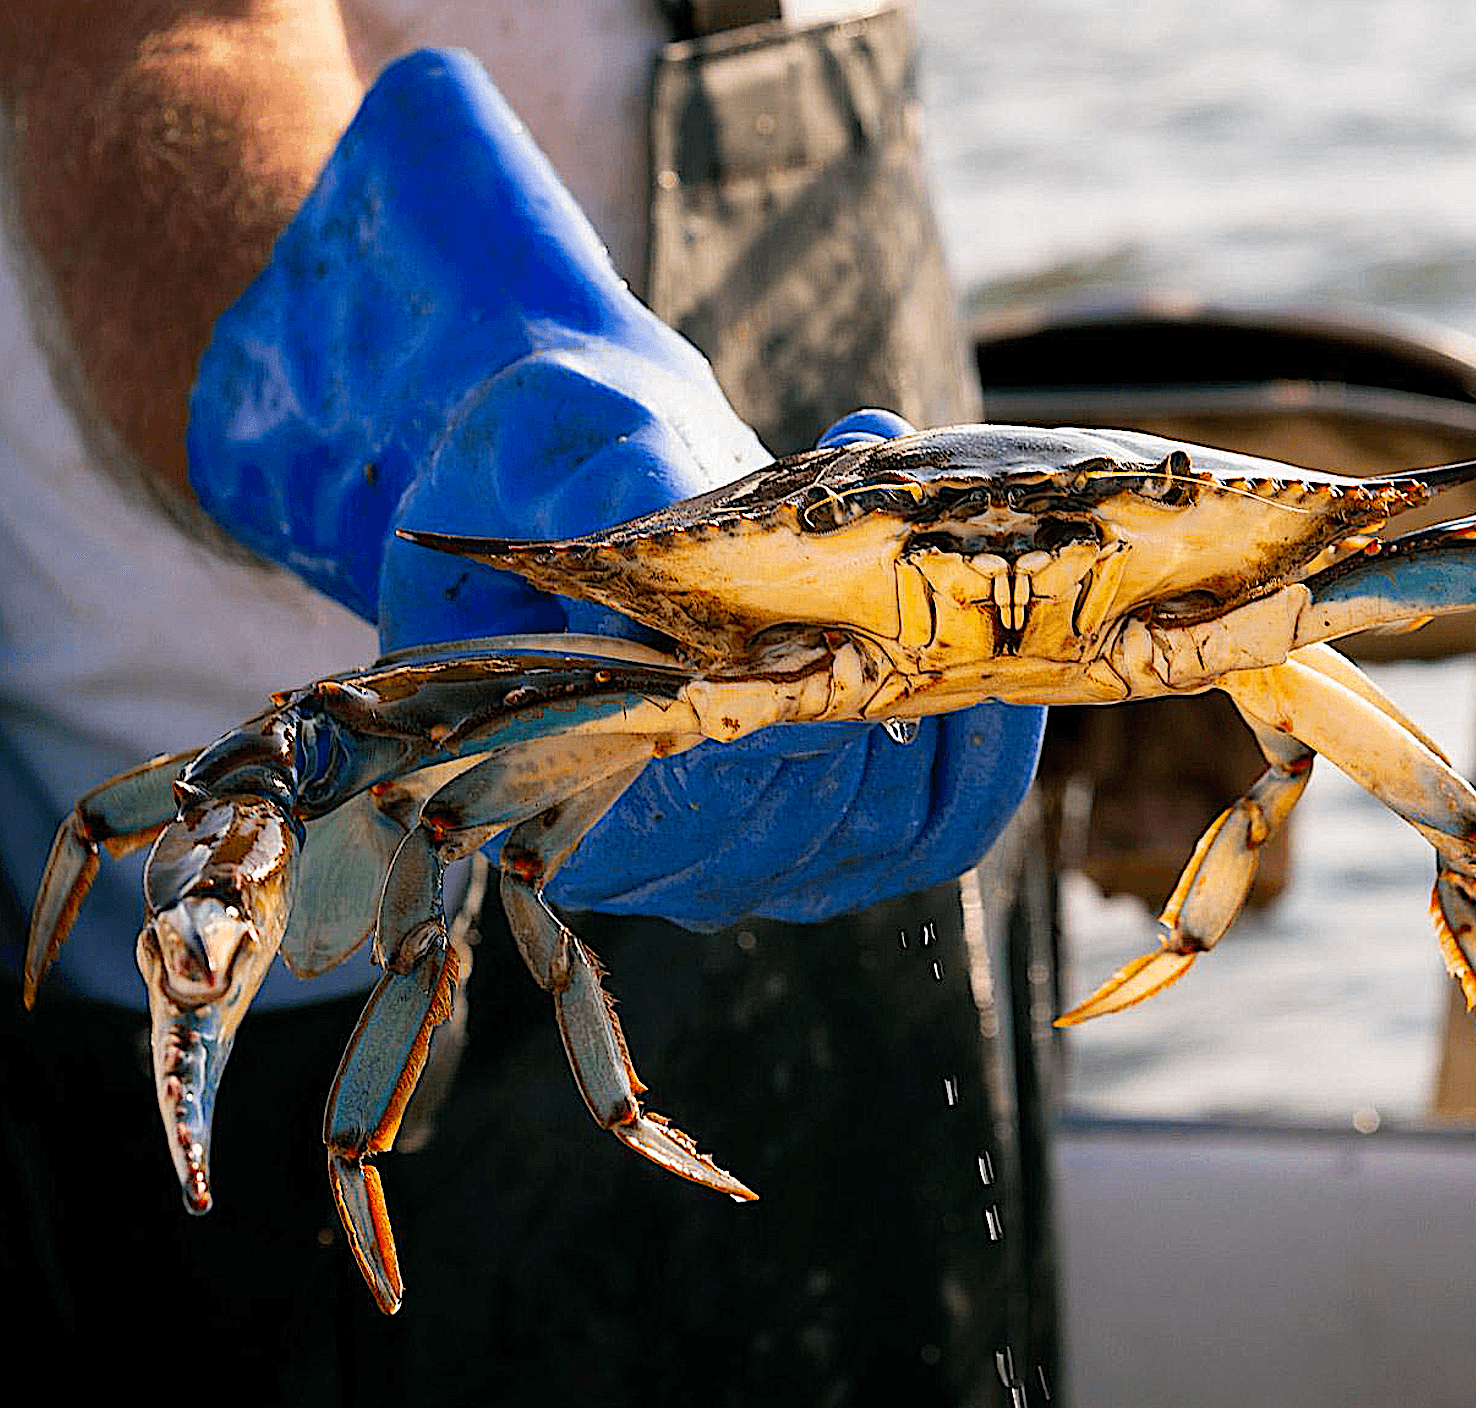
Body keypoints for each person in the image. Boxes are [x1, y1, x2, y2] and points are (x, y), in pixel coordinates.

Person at [0, 5, 1061, 1401]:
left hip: (901, 785)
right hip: (327, 840)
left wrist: (1133, 676)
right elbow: (145, 49)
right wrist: (401, 374)